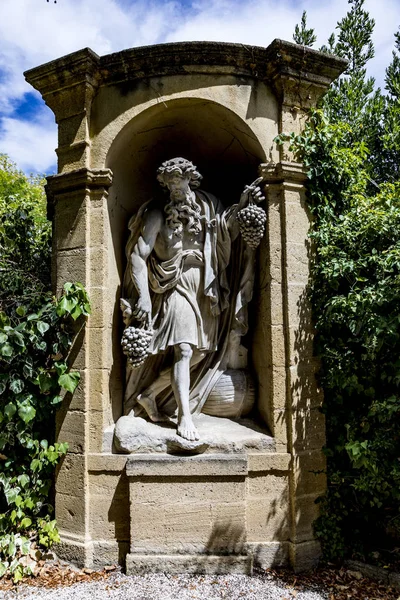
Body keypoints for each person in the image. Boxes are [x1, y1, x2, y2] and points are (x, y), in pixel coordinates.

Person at [120, 157, 263, 441]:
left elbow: (228, 233)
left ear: (190, 179)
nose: (174, 187)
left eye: (178, 180)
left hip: (205, 286)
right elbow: (138, 255)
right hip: (173, 285)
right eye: (168, 182)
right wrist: (144, 298)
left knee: (200, 352)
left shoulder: (208, 207)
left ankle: (148, 394)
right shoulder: (157, 215)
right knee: (183, 350)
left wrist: (244, 204)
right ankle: (184, 417)